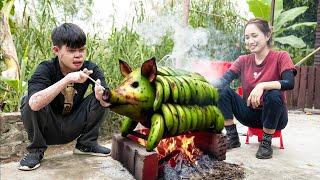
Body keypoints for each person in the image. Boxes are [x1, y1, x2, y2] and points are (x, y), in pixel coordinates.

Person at [18, 23, 111, 171]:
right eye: (72, 50)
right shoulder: (46, 68)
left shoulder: (91, 69)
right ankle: (36, 151)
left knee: (99, 95)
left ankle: (86, 144)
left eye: (82, 49)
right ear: (56, 50)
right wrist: (67, 79)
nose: (78, 55)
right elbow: (34, 104)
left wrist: (102, 97)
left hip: (73, 124)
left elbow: (107, 102)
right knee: (29, 98)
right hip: (49, 127)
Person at [212, 18, 296, 159]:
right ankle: (232, 137)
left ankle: (266, 143)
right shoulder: (243, 60)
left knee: (273, 94)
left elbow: (289, 82)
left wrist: (262, 85)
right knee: (222, 91)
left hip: (276, 117)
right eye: (247, 37)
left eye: (255, 36)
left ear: (267, 35)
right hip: (249, 114)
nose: (250, 41)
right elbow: (223, 80)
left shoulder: (281, 57)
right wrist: (201, 80)